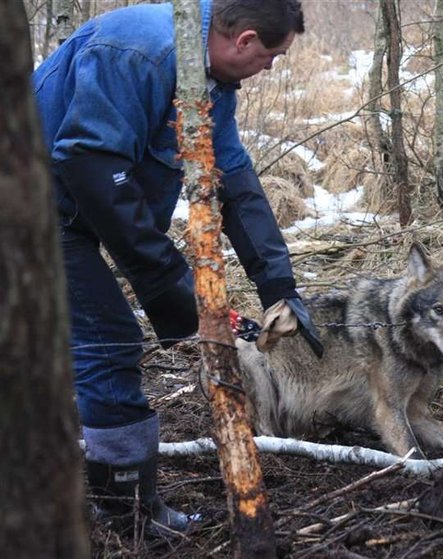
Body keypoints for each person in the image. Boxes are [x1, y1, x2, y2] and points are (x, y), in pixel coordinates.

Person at [33, 0, 322, 536]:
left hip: (71, 206)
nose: (271, 69)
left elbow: (232, 177)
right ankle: (126, 512)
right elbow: (89, 161)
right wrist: (171, 284)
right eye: (272, 56)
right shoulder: (140, 53)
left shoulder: (205, 79)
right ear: (244, 40)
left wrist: (279, 288)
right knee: (109, 338)